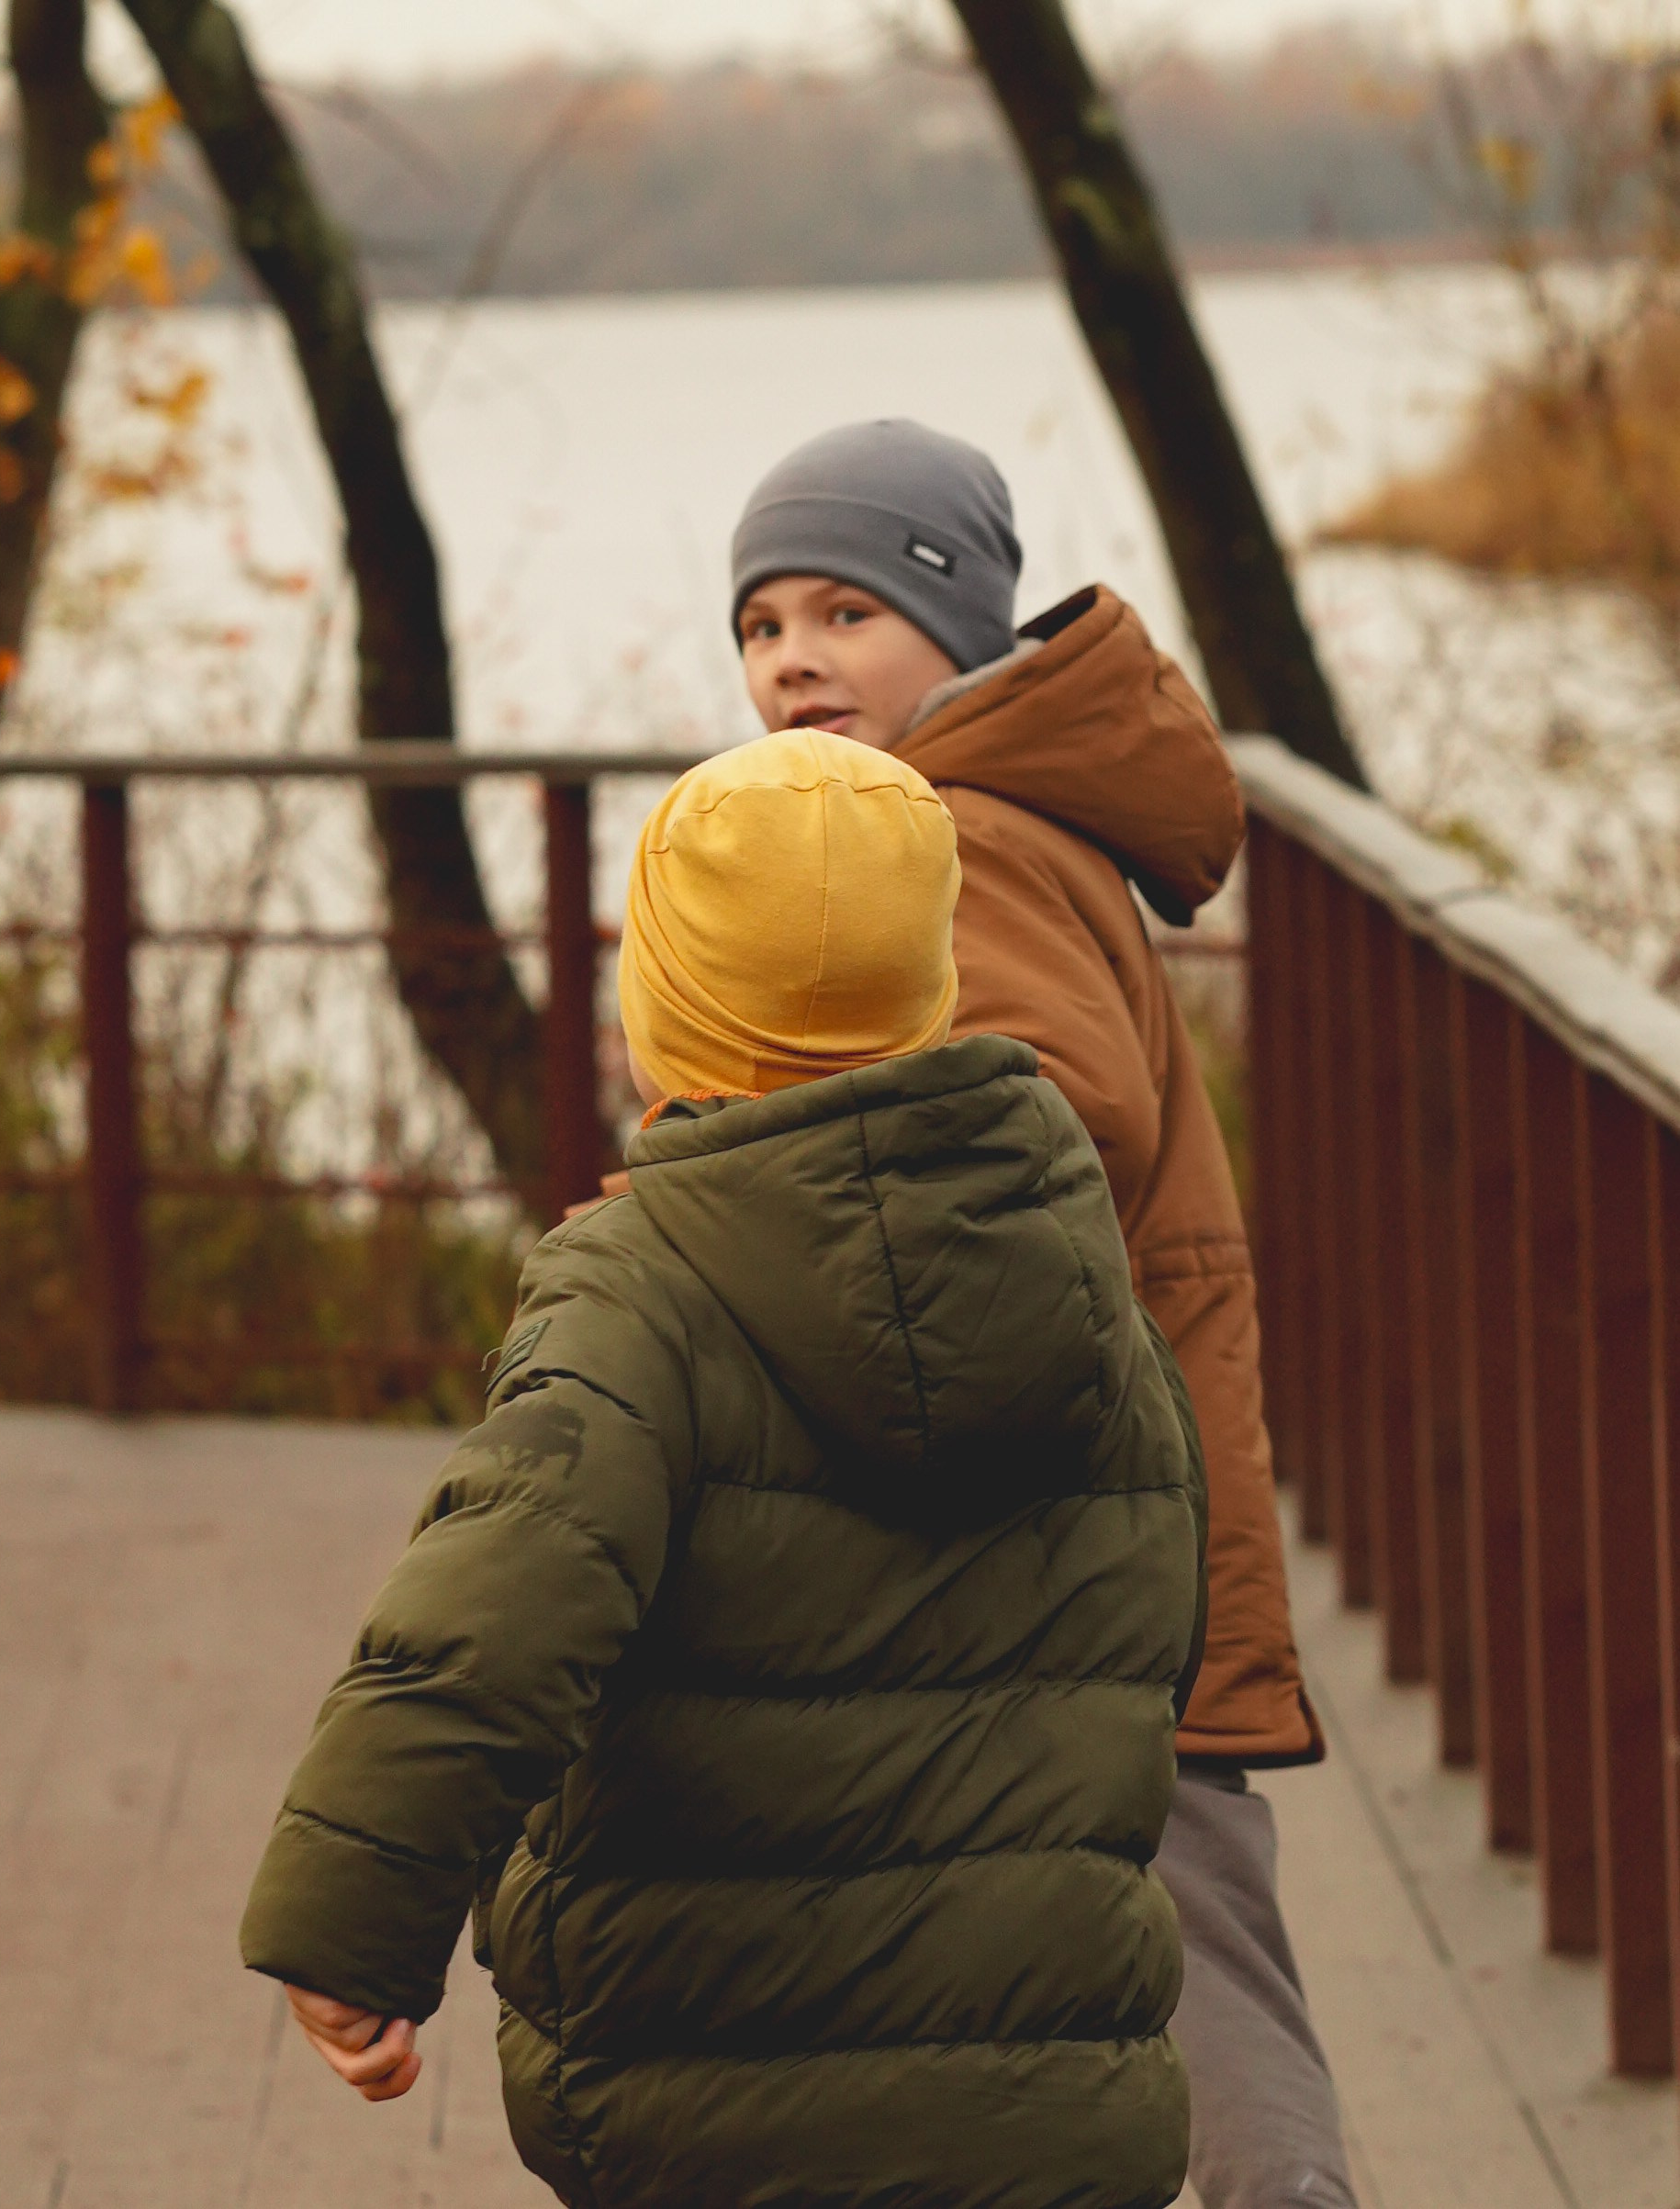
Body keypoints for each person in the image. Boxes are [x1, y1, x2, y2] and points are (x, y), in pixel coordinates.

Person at [241, 727, 1208, 2209]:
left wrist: (348, 1919)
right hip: (1047, 2092)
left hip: (706, 2085)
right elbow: (1157, 1622)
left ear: (661, 1007)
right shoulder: (1079, 1277)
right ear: (936, 980)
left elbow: (484, 1627)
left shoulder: (635, 1299)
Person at [730, 420, 1354, 2209]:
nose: (793, 657)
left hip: (1074, 1551)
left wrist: (736, 1233)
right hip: (1109, 1526)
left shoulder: (952, 840)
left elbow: (1024, 1151)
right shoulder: (967, 823)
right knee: (1173, 1939)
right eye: (762, 623)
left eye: (848, 608)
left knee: (1180, 1953)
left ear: (968, 632)